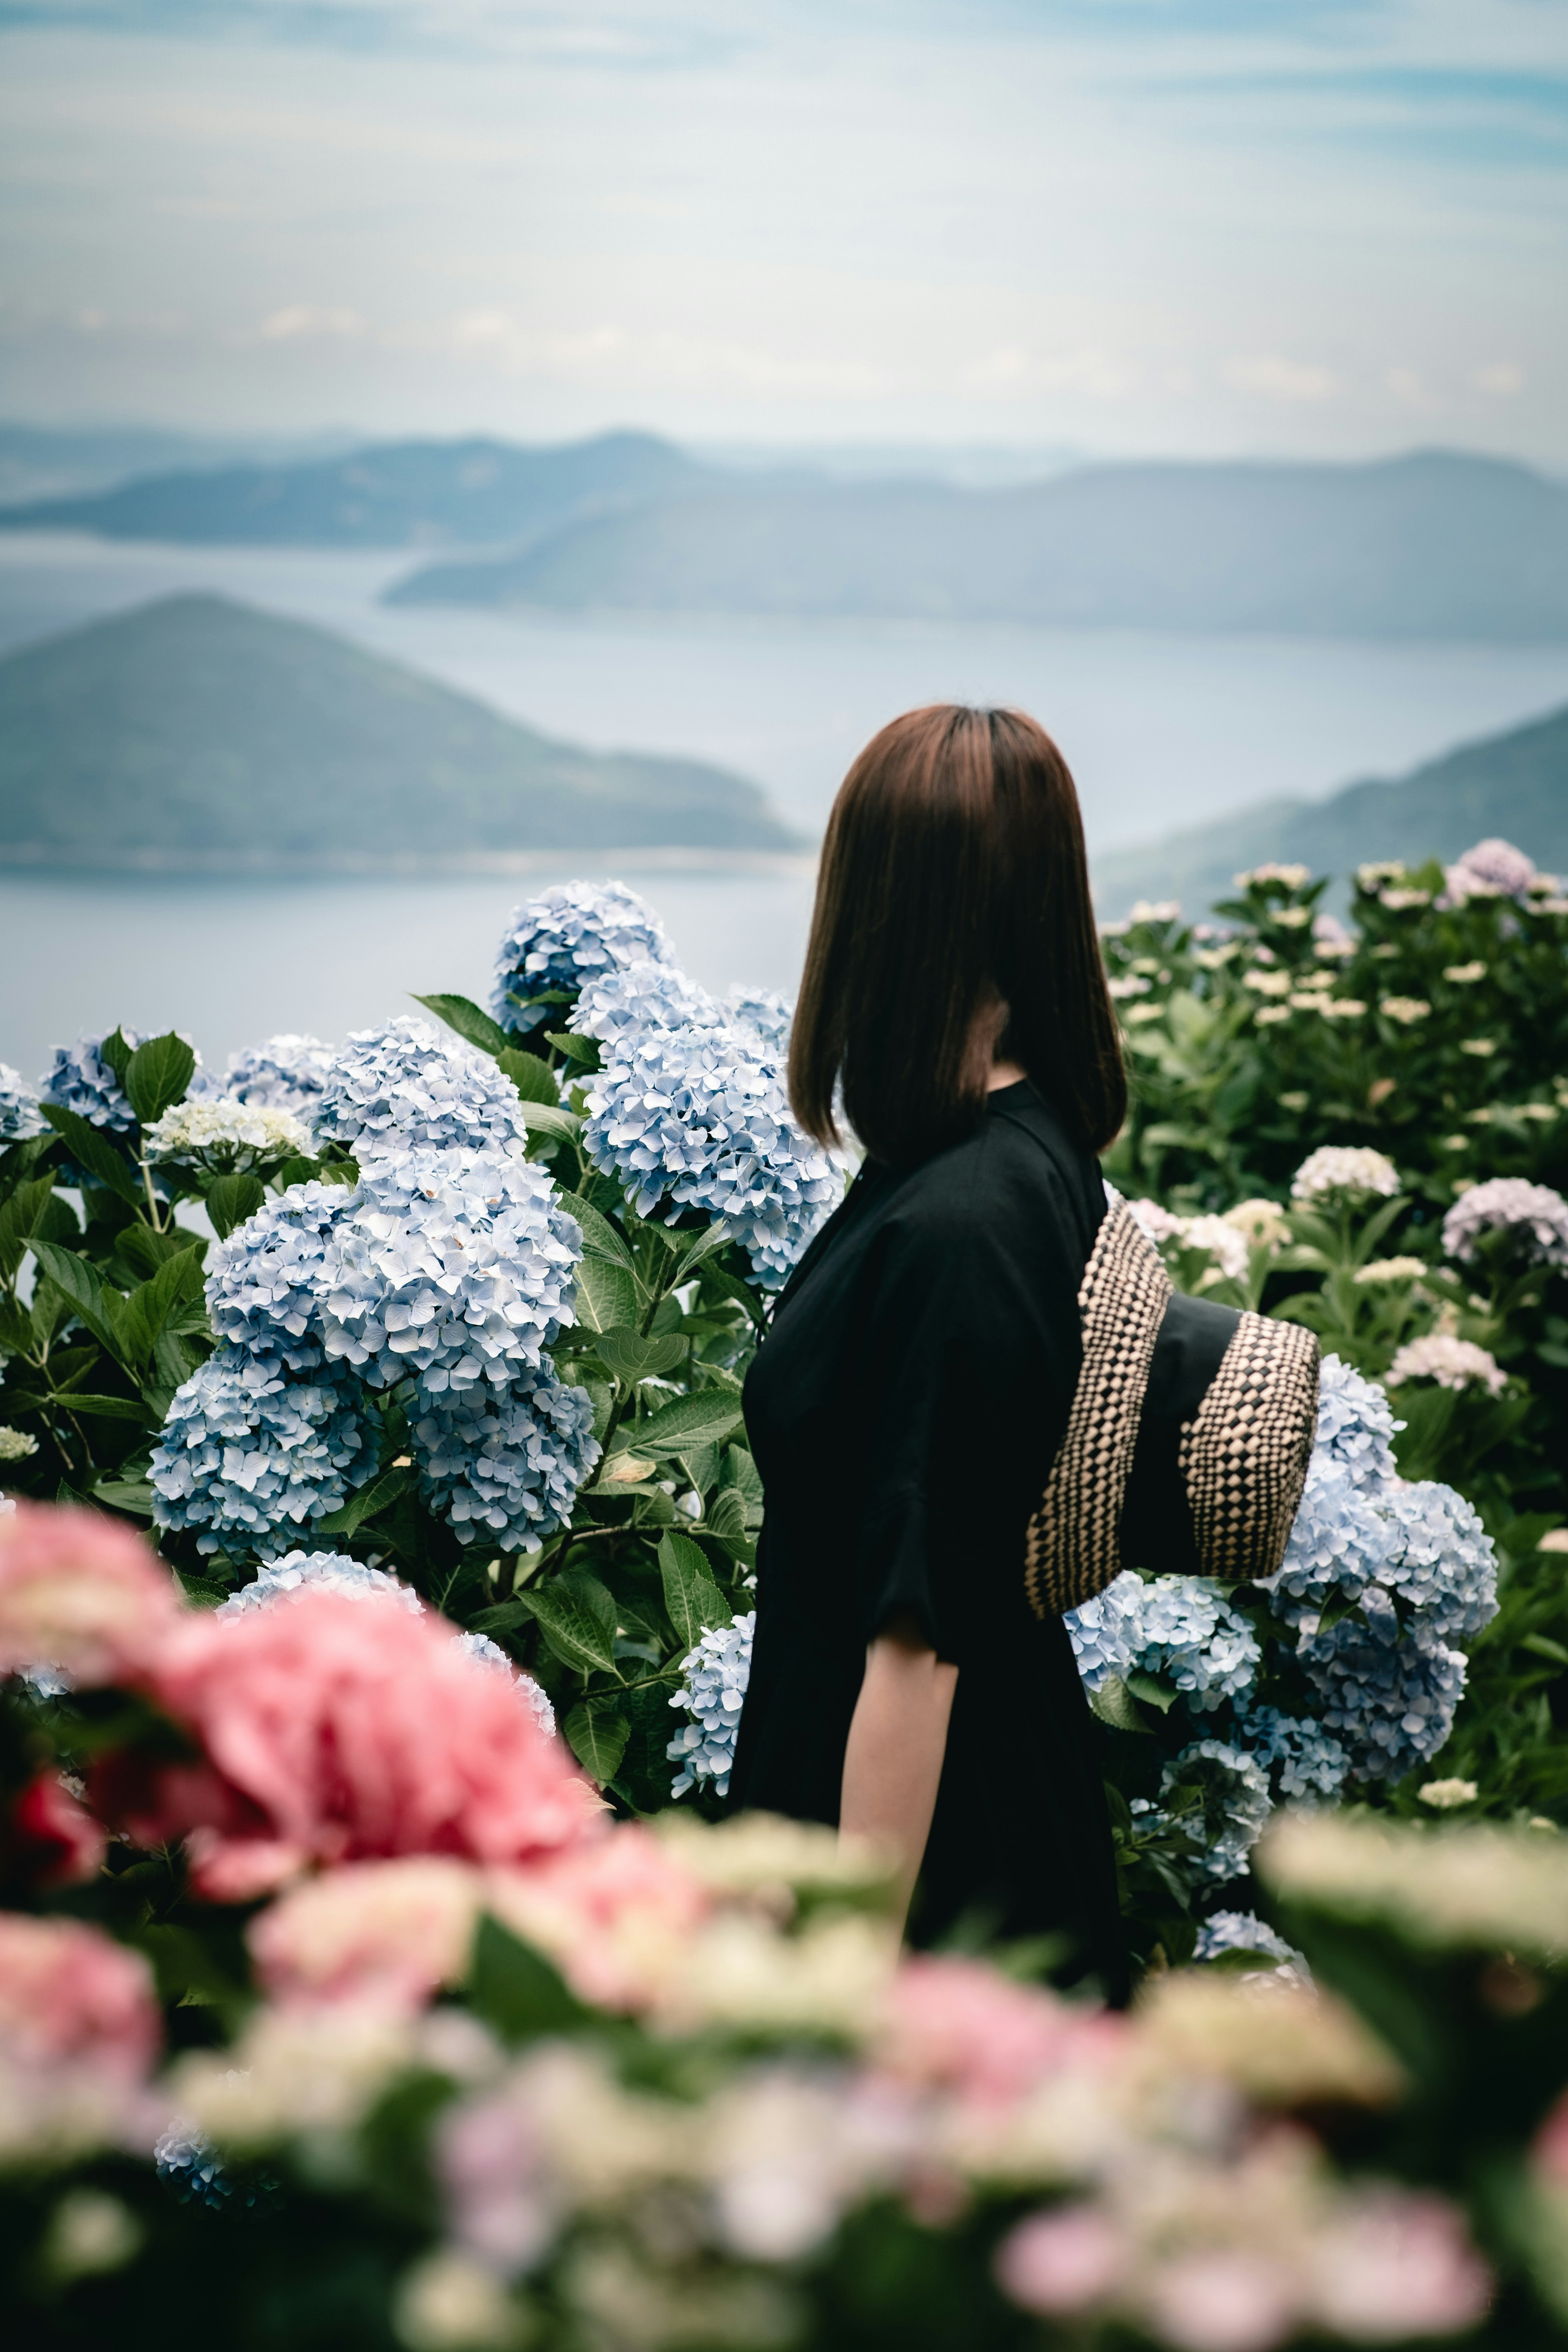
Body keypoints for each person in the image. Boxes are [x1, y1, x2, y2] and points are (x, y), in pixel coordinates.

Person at [728, 703, 1131, 1999]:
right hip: (952, 1820)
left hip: (930, 1881)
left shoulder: (965, 1220)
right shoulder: (1007, 1145)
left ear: (878, 917)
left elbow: (918, 1642)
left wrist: (843, 1990)